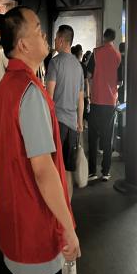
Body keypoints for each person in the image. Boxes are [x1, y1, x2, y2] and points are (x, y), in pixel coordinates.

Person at [0, 6, 80, 274]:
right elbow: (42, 170)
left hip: (14, 226)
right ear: (23, 44)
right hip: (37, 233)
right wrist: (68, 227)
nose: (45, 35)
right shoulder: (29, 92)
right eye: (39, 28)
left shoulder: (4, 88)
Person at [46, 26, 84, 200]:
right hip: (72, 124)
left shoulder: (55, 63)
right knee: (68, 170)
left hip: (57, 123)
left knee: (54, 168)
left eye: (55, 38)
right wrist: (80, 122)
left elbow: (49, 96)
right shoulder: (78, 66)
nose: (54, 41)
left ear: (61, 40)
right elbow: (81, 99)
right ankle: (67, 207)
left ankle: (55, 209)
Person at [87, 28, 121, 181]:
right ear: (113, 38)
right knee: (108, 138)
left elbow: (88, 75)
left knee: (92, 138)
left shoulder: (96, 53)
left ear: (104, 37)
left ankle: (92, 172)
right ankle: (106, 172)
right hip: (110, 102)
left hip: (96, 100)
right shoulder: (118, 55)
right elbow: (119, 81)